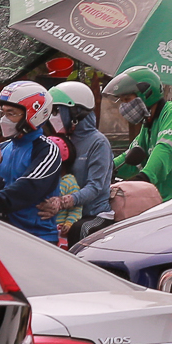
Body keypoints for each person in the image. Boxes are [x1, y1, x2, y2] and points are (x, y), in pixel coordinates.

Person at [0, 80, 63, 242]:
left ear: (34, 115)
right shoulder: (1, 148)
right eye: (2, 113)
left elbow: (29, 186)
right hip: (0, 231)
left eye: (11, 113)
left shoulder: (47, 150)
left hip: (35, 237)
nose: (4, 119)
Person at [106, 65, 172, 201]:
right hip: (162, 198)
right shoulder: (149, 124)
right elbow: (131, 155)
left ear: (146, 94)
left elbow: (164, 149)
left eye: (127, 99)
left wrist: (145, 177)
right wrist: (107, 168)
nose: (124, 106)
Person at [40, 80, 114, 241]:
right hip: (64, 214)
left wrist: (64, 202)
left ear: (75, 112)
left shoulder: (98, 143)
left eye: (57, 111)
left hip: (94, 213)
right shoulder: (62, 141)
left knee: (78, 231)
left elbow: (95, 187)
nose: (54, 117)